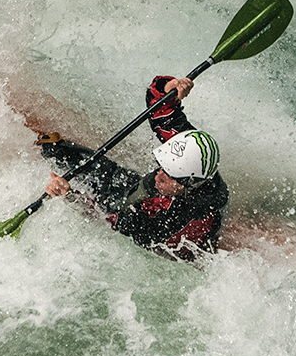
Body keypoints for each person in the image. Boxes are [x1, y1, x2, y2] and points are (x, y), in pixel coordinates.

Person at [39, 75, 228, 262]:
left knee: (85, 183)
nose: (159, 175)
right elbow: (160, 109)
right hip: (140, 195)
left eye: (169, 175)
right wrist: (171, 88)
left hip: (145, 230)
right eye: (163, 166)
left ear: (190, 184)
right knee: (55, 150)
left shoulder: (172, 220)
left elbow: (109, 223)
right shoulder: (190, 149)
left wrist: (71, 197)